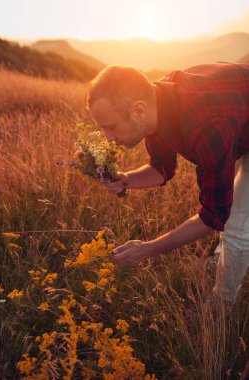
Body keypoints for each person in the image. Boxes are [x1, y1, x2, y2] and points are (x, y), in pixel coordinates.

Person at [85, 62, 249, 306]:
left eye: (110, 127)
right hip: (237, 118)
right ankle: (220, 259)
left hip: (229, 118)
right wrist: (126, 180)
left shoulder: (206, 123)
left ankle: (222, 304)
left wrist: (149, 248)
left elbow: (215, 214)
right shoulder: (154, 103)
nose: (107, 139)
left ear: (138, 110)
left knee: (237, 225)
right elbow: (162, 168)